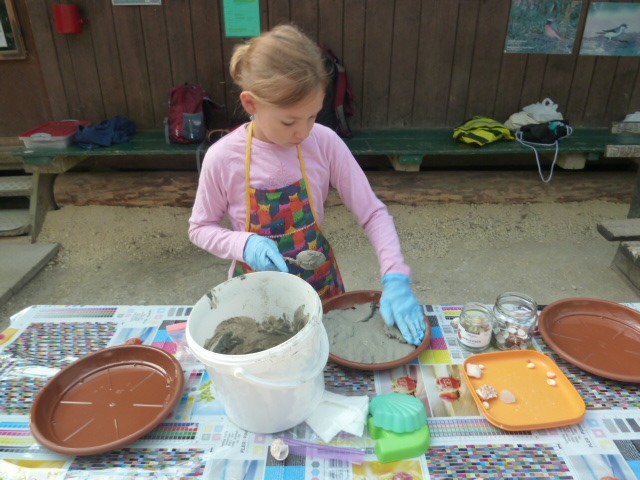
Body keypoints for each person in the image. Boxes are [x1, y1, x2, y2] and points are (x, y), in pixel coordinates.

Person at [188, 24, 426, 346]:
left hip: (322, 287)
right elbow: (200, 228)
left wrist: (395, 275)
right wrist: (243, 244)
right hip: (257, 298)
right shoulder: (223, 158)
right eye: (289, 121)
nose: (302, 132)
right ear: (251, 104)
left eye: (313, 116)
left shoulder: (324, 143)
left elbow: (373, 213)